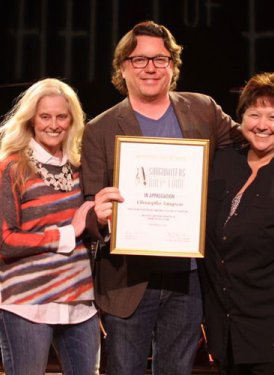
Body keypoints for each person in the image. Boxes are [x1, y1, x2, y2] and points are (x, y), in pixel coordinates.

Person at [81, 20, 243, 375]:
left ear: (173, 65)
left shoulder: (204, 110)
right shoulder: (100, 129)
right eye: (139, 60)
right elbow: (90, 207)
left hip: (188, 277)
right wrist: (101, 215)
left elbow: (249, 146)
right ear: (123, 67)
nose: (150, 68)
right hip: (127, 280)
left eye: (160, 59)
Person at [0, 78, 100, 375]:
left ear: (72, 120)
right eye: (45, 116)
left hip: (79, 300)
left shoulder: (81, 164)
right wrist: (67, 234)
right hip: (26, 302)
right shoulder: (12, 166)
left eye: (61, 116)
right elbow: (4, 241)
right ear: (31, 119)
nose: (53, 124)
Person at [200, 72, 274, 375]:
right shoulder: (223, 162)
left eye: (272, 116)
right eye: (253, 114)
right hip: (225, 333)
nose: (262, 125)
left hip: (267, 334)